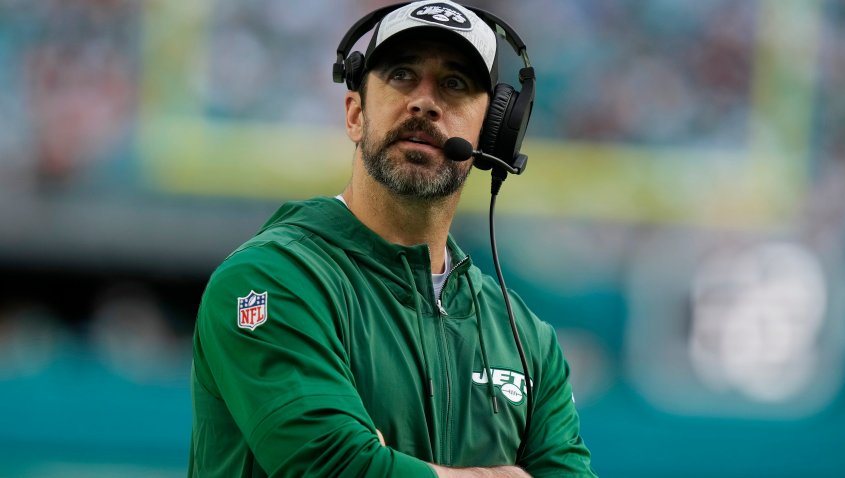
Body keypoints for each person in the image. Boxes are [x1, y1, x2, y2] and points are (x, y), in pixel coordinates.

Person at [188, 1, 596, 476]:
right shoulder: (268, 279)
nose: (424, 102)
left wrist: (393, 466)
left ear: (493, 133)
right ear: (355, 114)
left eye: (455, 83)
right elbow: (336, 469)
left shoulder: (526, 340)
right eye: (402, 75)